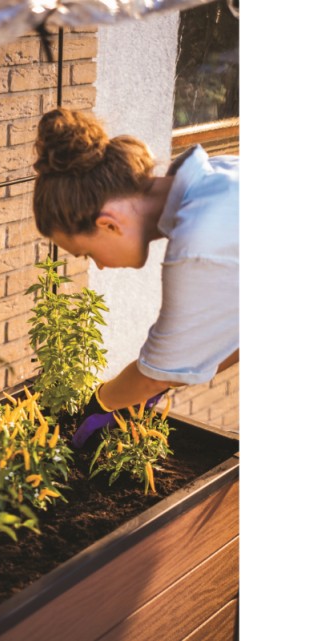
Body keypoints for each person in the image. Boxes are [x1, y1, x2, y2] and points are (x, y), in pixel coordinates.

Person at [32, 107, 239, 449]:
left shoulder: (199, 243)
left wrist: (101, 402)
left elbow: (157, 373)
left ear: (108, 224)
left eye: (87, 253)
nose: (97, 265)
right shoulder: (220, 177)